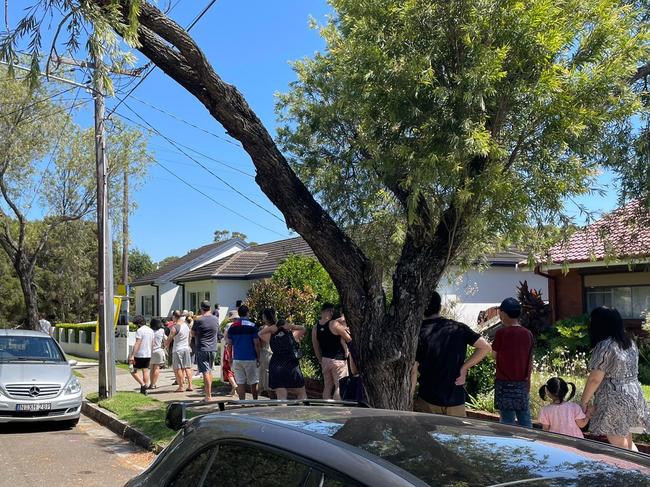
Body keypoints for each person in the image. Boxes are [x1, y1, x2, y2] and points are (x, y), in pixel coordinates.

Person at [410, 291, 491, 417]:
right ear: (440, 307)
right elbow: (485, 347)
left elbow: (414, 371)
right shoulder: (458, 328)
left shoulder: (418, 333)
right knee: (456, 436)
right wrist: (464, 367)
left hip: (428, 400)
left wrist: (409, 398)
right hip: (456, 401)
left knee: (427, 437)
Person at [581, 306, 650, 451]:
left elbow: (595, 379)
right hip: (633, 394)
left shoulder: (605, 345)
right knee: (628, 441)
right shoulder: (629, 342)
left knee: (619, 445)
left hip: (614, 398)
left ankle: (630, 472)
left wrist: (584, 401)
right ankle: (639, 471)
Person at [492, 297, 534, 428]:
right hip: (522, 383)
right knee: (525, 420)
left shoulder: (501, 333)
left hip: (504, 384)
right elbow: (530, 359)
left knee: (506, 422)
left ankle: (508, 446)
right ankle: (528, 447)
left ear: (503, 313)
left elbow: (494, 355)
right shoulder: (528, 334)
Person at [259, 309, 307, 400]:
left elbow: (260, 334)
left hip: (276, 366)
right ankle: (302, 412)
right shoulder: (292, 334)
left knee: (281, 396)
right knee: (301, 392)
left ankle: (282, 413)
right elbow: (303, 328)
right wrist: (291, 326)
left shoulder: (271, 336)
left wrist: (270, 328)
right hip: (291, 365)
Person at [312, 303, 351, 400]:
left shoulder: (315, 328)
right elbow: (348, 338)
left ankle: (327, 410)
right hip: (338, 360)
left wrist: (320, 360)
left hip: (325, 359)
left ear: (322, 311)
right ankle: (337, 409)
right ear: (330, 311)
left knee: (327, 387)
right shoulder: (334, 324)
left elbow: (316, 347)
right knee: (339, 386)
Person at [227, 305, 261, 400]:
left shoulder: (232, 327)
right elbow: (256, 343)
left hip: (237, 358)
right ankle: (255, 401)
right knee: (254, 381)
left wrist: (230, 357)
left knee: (240, 382)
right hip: (250, 357)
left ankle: (242, 402)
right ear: (247, 313)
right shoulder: (252, 326)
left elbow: (229, 344)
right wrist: (258, 357)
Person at [192, 300, 221, 402]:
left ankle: (208, 396)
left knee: (205, 372)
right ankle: (208, 393)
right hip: (213, 348)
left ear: (201, 308)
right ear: (210, 308)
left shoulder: (198, 320)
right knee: (209, 370)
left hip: (202, 348)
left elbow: (193, 333)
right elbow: (218, 332)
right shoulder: (215, 319)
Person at [166, 309, 194, 393]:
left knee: (177, 368)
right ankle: (190, 385)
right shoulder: (186, 325)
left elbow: (170, 338)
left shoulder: (175, 327)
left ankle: (181, 386)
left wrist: (165, 345)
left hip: (177, 349)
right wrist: (188, 345)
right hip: (186, 348)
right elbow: (190, 336)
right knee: (187, 368)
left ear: (174, 317)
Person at [129, 315, 154, 395]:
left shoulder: (139, 331)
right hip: (148, 353)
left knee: (132, 370)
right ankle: (145, 388)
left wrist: (132, 355)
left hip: (139, 354)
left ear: (138, 324)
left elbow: (137, 343)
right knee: (145, 370)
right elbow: (152, 343)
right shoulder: (151, 330)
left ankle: (143, 385)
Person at [258, 309, 274, 396]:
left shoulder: (263, 329)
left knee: (264, 375)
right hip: (274, 353)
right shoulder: (276, 327)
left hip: (265, 353)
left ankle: (268, 396)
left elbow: (260, 343)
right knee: (268, 375)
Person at [149, 318, 166, 390]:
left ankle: (151, 383)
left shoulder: (150, 331)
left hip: (150, 351)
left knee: (151, 368)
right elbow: (165, 339)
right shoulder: (161, 331)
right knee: (157, 368)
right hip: (159, 350)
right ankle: (154, 384)